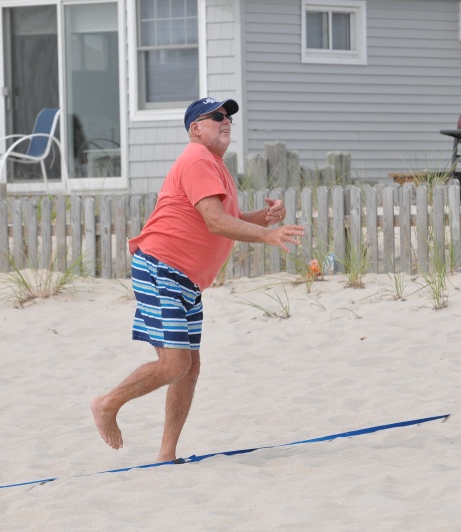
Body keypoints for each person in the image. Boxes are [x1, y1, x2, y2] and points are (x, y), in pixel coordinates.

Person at [91, 96, 305, 463]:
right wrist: (268, 236)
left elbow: (224, 218)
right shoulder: (197, 159)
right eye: (217, 116)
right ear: (195, 128)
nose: (226, 121)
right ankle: (107, 404)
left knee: (189, 367)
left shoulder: (214, 165)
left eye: (229, 117)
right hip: (161, 267)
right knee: (175, 364)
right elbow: (216, 222)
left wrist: (262, 219)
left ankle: (166, 455)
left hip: (185, 279)